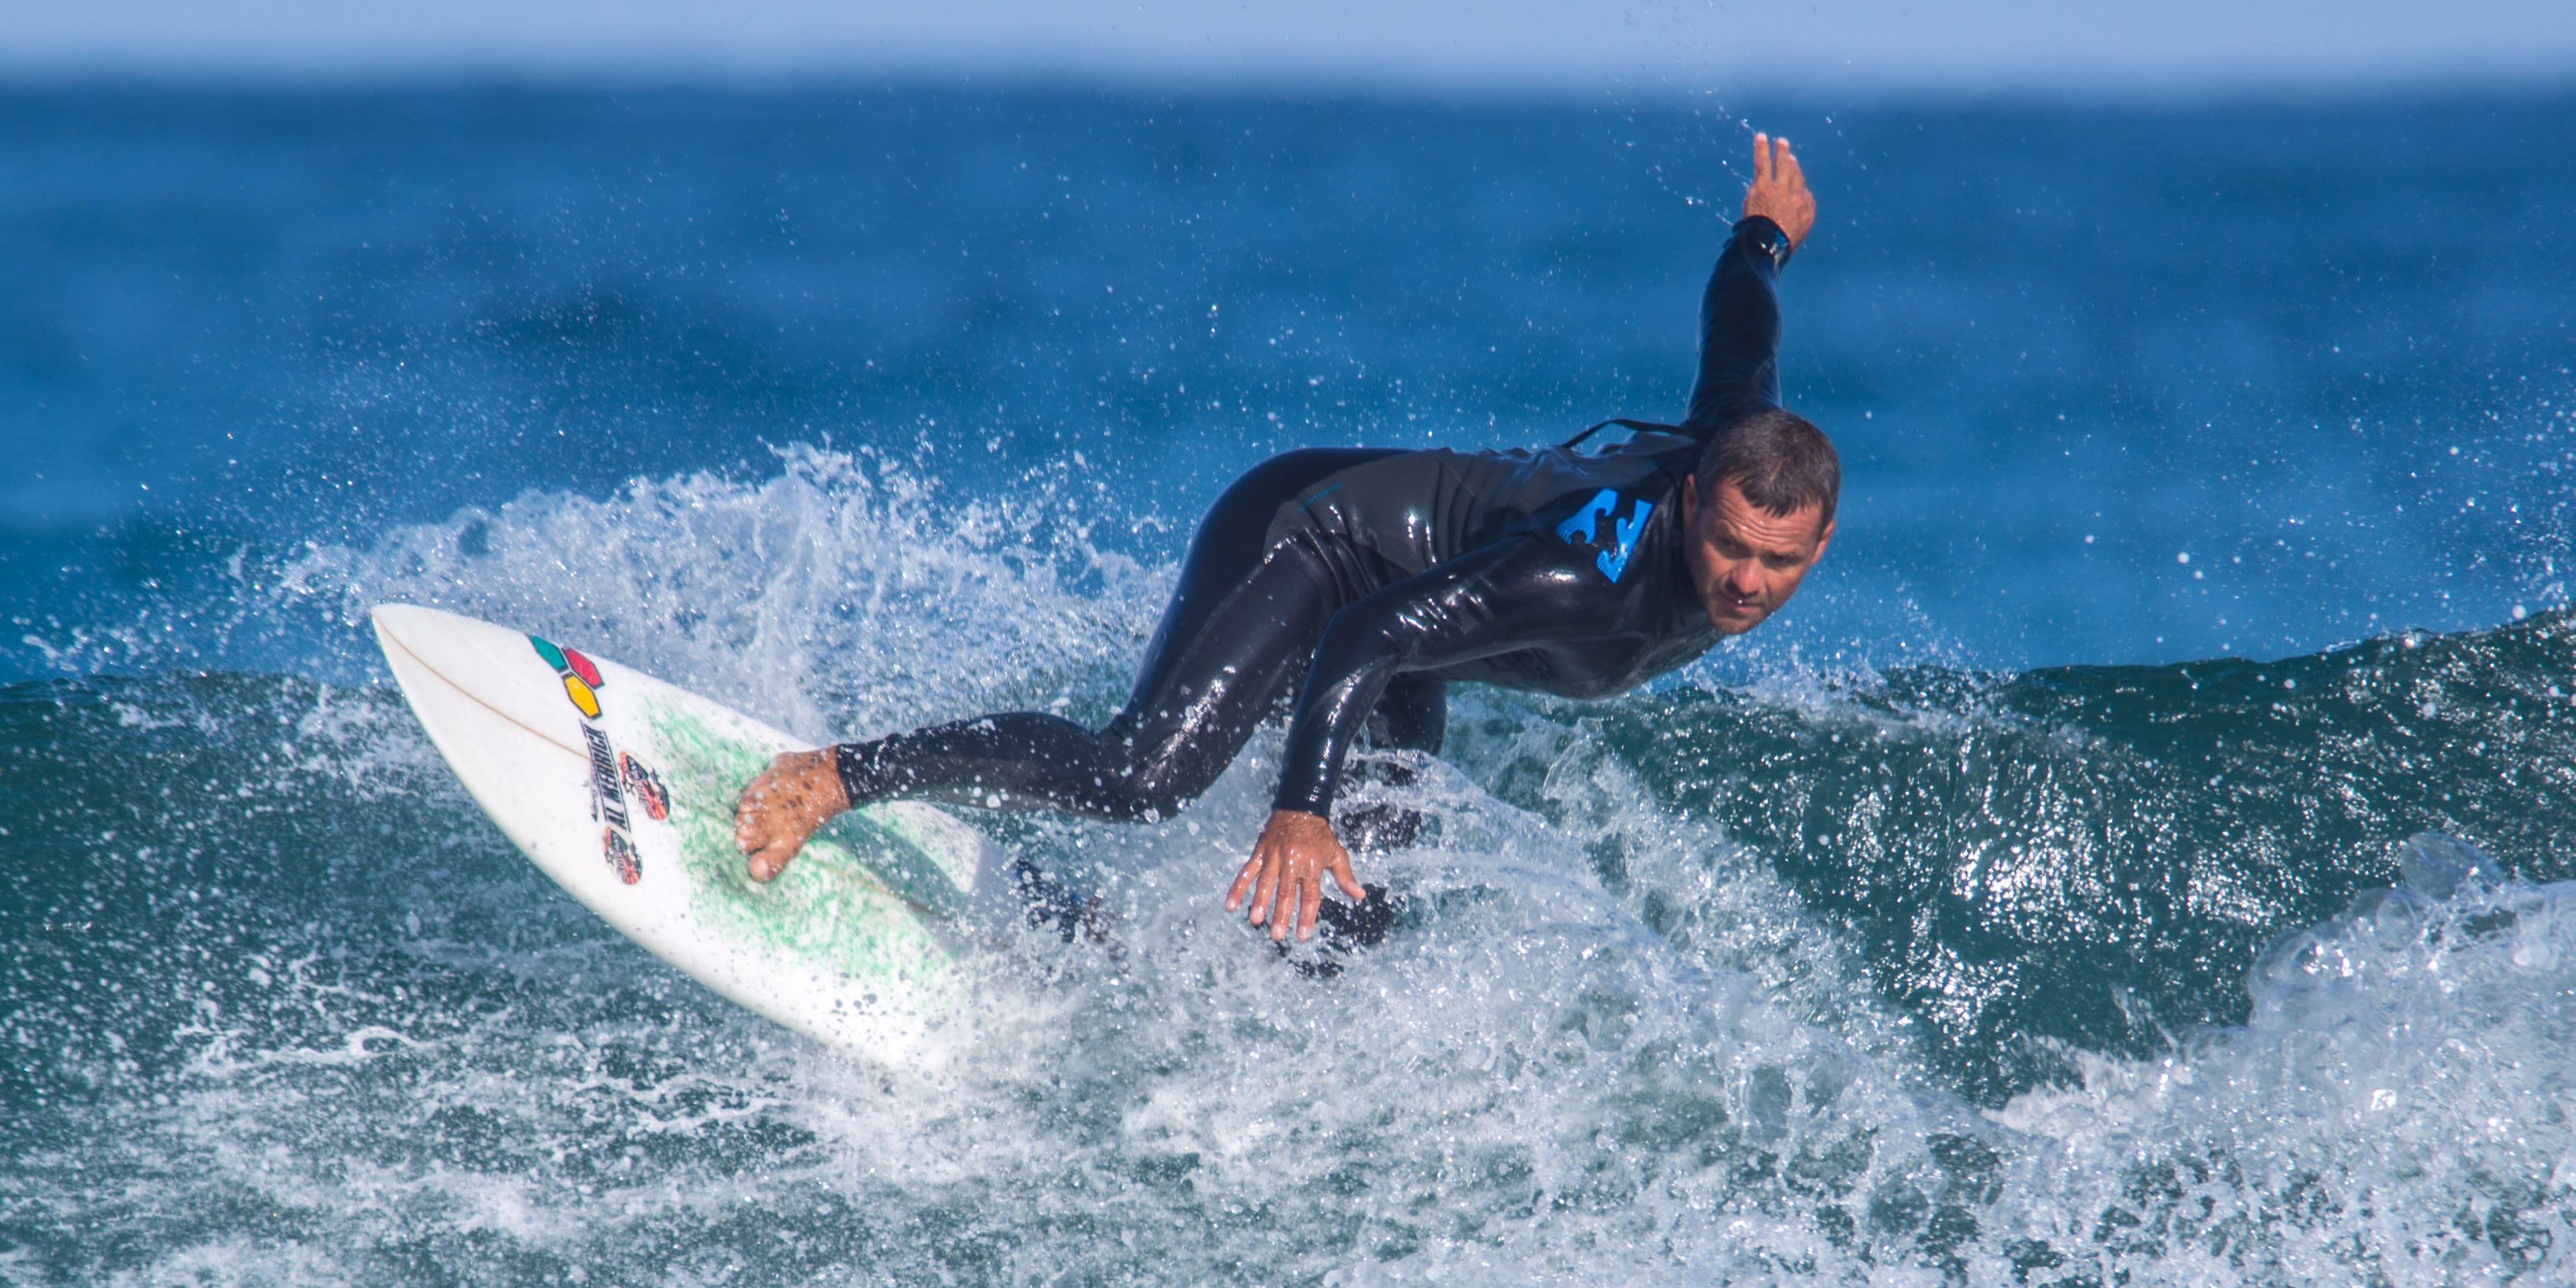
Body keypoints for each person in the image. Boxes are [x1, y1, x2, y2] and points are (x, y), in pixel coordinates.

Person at [734, 134, 1839, 944]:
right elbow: (1366, 628)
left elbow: (1742, 325)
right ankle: (837, 775)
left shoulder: (1741, 447)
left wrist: (1763, 236)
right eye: (1730, 546)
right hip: (1316, 538)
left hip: (1415, 621)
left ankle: (1106, 936)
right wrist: (1300, 809)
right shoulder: (1581, 576)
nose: (1746, 581)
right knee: (1143, 774)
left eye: (1778, 562)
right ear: (1690, 503)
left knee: (1352, 924)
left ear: (1821, 542)